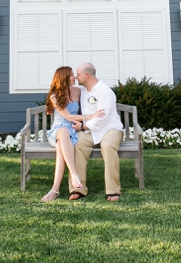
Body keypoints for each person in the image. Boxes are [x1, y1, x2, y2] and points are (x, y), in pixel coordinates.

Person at [41, 66, 106, 202]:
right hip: (58, 130)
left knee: (60, 148)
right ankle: (75, 175)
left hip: (73, 131)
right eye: (71, 75)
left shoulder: (78, 91)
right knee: (63, 133)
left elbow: (92, 93)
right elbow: (68, 116)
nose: (74, 77)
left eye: (74, 75)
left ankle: (54, 190)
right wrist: (90, 116)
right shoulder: (54, 95)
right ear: (63, 78)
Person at [70, 62, 124, 202]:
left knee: (107, 146)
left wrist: (82, 127)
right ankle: (77, 188)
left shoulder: (104, 91)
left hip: (110, 128)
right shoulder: (83, 91)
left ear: (87, 75)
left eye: (78, 74)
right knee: (77, 144)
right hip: (91, 131)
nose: (76, 77)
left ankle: (113, 190)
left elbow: (103, 118)